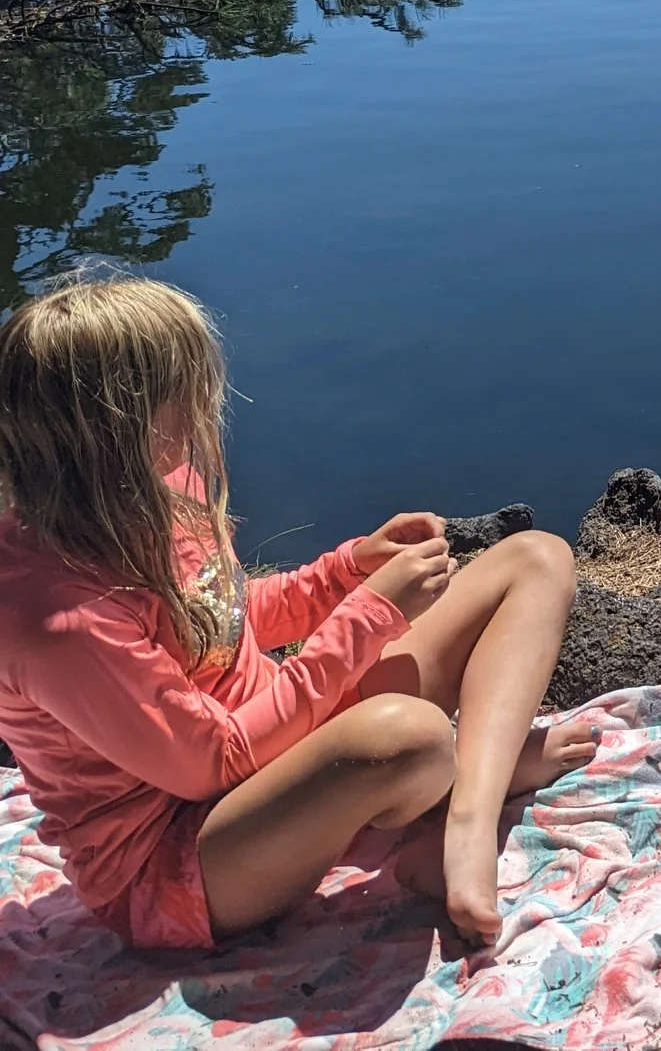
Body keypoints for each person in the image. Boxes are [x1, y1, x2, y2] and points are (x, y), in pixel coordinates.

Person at [0, 273, 597, 952]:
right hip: (186, 860)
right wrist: (368, 617)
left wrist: (346, 572)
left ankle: (466, 816)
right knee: (410, 738)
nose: (203, 402)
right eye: (184, 388)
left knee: (536, 559)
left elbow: (222, 620)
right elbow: (213, 763)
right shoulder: (51, 616)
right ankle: (455, 773)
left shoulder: (160, 490)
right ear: (120, 425)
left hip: (276, 747)